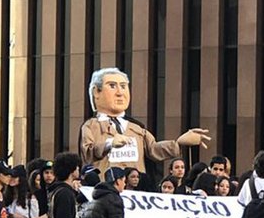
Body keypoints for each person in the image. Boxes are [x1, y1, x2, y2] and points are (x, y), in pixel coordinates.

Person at [79, 67, 211, 175]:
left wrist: (179, 143)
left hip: (136, 191)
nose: (120, 93)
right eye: (112, 86)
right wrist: (109, 144)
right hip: (106, 190)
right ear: (96, 92)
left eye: (123, 86)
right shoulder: (91, 126)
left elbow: (153, 149)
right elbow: (87, 154)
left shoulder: (136, 128)